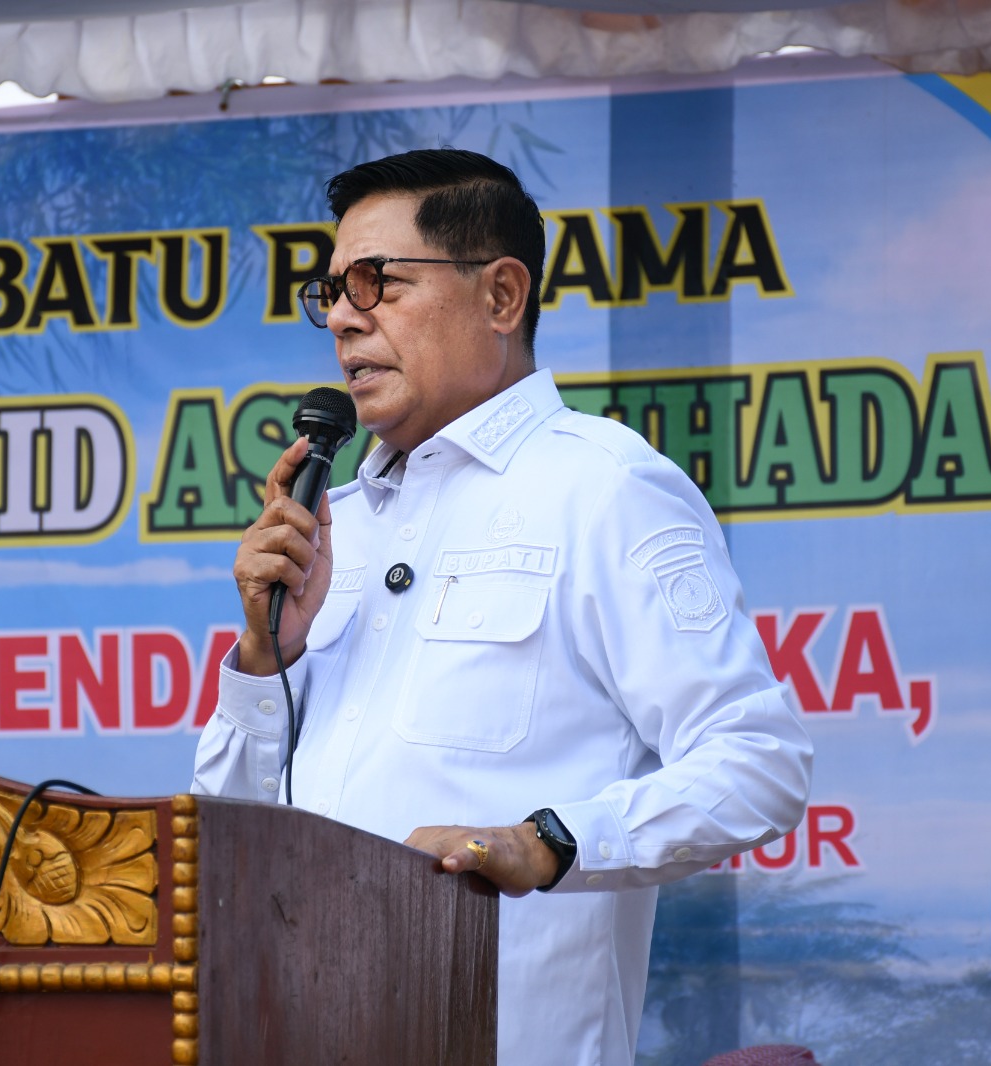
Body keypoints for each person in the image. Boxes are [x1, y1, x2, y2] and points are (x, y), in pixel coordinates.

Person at [192, 148, 812, 1066]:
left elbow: (760, 762)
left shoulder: (604, 489)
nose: (346, 318)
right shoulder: (333, 529)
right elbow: (225, 844)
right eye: (332, 292)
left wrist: (549, 842)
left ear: (502, 296)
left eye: (377, 282)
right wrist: (265, 659)